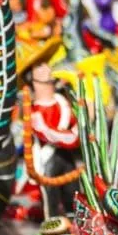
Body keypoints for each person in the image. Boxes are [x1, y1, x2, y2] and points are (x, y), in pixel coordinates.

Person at [27, 59, 80, 219]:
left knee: (74, 193)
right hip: (47, 158)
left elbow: (75, 132)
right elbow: (46, 134)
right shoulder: (33, 112)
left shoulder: (63, 103)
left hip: (66, 157)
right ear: (33, 81)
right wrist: (68, 136)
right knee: (51, 199)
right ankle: (52, 226)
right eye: (39, 67)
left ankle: (76, 224)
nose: (45, 67)